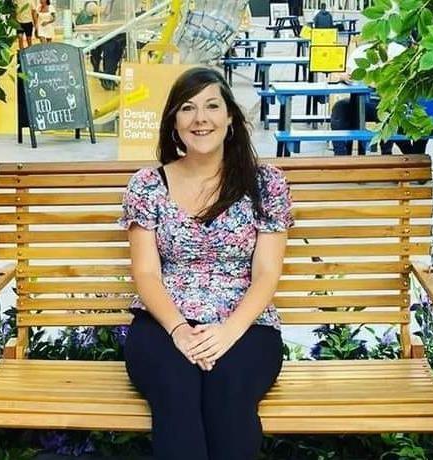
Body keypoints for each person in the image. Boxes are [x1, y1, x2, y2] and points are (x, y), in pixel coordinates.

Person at [118, 67, 292, 460]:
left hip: (246, 323)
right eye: (188, 108)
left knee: (228, 393)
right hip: (163, 323)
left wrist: (229, 332)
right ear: (173, 123)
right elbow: (145, 272)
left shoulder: (266, 184)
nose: (201, 118)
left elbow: (267, 273)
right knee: (175, 395)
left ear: (230, 118)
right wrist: (179, 329)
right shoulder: (147, 185)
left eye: (212, 106)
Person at [329, 41, 432, 155]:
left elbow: (406, 78)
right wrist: (342, 76)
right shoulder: (360, 52)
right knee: (340, 108)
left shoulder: (398, 51)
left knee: (398, 115)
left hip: (395, 105)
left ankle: (406, 156)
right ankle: (340, 158)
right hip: (364, 103)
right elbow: (343, 75)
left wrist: (372, 81)